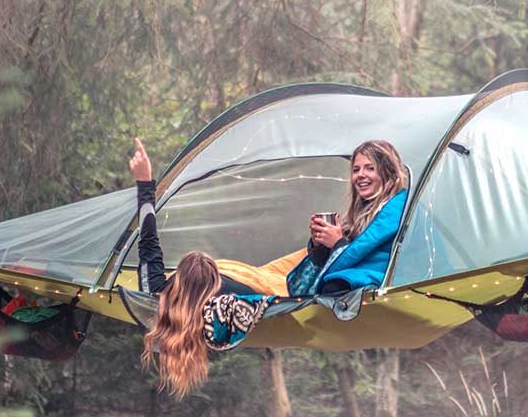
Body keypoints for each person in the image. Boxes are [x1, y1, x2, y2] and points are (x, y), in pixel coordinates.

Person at [127, 136, 408, 396]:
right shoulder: (180, 290)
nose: (360, 175)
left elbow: (148, 250)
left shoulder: (163, 291)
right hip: (284, 283)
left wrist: (145, 186)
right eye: (357, 169)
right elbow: (150, 250)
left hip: (284, 280)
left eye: (368, 168)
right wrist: (326, 246)